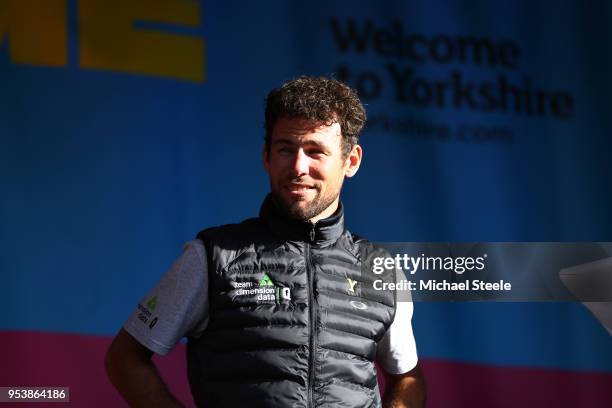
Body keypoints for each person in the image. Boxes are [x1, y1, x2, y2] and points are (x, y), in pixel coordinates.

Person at [105, 76, 426, 407]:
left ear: (351, 161)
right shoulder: (214, 256)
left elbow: (408, 378)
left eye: (316, 151)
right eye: (286, 149)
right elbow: (125, 358)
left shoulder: (383, 271)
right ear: (266, 157)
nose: (299, 167)